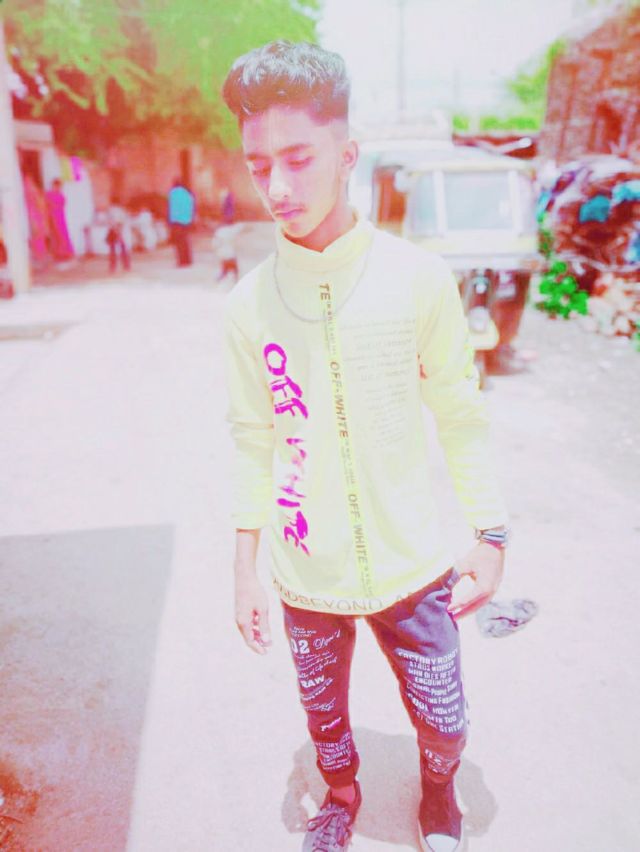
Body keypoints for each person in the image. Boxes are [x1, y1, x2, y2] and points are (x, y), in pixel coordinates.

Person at [221, 42, 509, 852]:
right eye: (259, 166)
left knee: (445, 722)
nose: (278, 187)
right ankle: (341, 798)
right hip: (307, 569)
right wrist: (244, 568)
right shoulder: (248, 305)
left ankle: (438, 797)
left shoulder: (417, 279)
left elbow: (460, 413)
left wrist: (490, 533)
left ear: (347, 154)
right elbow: (251, 437)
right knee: (323, 720)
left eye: (299, 159)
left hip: (412, 565)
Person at [167, 178, 195, 266]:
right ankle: (188, 260)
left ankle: (181, 261)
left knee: (179, 242)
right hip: (187, 220)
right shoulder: (187, 193)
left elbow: (171, 208)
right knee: (186, 240)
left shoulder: (173, 193)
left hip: (176, 221)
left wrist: (169, 221)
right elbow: (191, 206)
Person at [45, 178, 74, 260]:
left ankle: (65, 253)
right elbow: (46, 205)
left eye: (59, 186)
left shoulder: (61, 195)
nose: (57, 188)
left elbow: (62, 204)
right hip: (51, 217)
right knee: (55, 235)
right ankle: (57, 254)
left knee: (62, 234)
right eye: (55, 186)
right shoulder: (48, 195)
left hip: (60, 217)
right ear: (53, 185)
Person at [105, 200, 131, 273]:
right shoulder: (121, 211)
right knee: (122, 248)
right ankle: (126, 265)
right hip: (119, 230)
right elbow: (122, 221)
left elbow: (112, 221)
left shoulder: (111, 211)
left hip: (114, 230)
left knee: (113, 249)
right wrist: (118, 230)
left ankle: (113, 266)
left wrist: (115, 229)